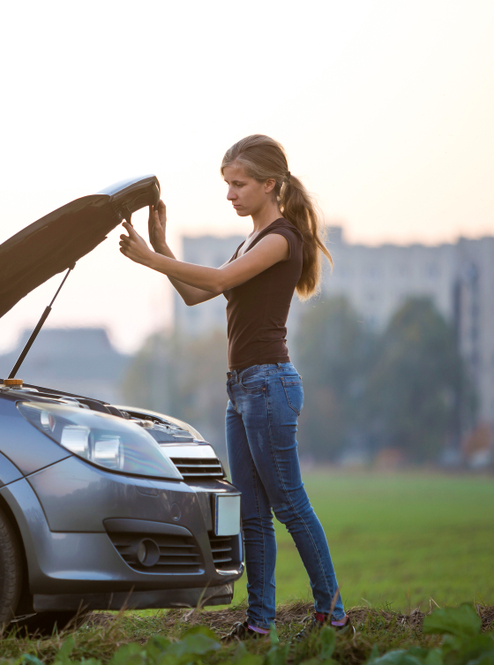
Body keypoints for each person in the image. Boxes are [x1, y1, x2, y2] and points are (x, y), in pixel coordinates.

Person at [118, 134, 349, 639]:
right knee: (252, 513)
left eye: (238, 184)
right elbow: (197, 295)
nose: (230, 194)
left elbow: (218, 282)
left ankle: (333, 617)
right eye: (227, 184)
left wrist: (149, 259)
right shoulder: (249, 241)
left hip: (269, 385)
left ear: (270, 184)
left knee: (289, 504)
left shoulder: (281, 239)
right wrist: (160, 247)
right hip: (241, 389)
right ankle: (260, 625)